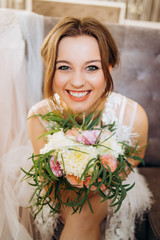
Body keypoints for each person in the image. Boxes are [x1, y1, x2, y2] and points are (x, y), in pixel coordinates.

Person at [28, 17, 152, 240]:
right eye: (64, 67)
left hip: (114, 184)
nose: (77, 82)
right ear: (50, 69)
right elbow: (50, 186)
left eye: (92, 67)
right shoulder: (38, 116)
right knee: (81, 213)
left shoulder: (134, 117)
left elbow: (128, 168)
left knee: (84, 212)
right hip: (58, 191)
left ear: (109, 69)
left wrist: (94, 172)